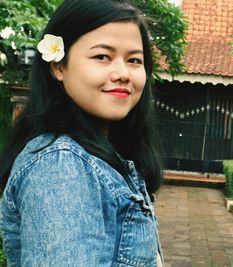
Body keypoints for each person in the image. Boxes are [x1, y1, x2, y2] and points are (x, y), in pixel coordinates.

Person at [0, 0, 164, 266]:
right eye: (102, 56)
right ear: (58, 67)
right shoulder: (60, 166)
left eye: (134, 60)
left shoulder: (102, 155)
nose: (123, 73)